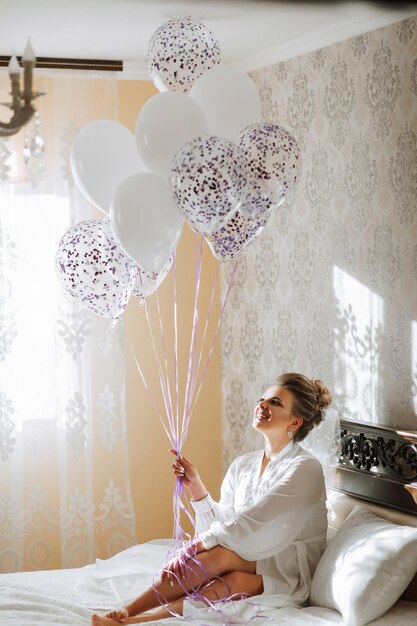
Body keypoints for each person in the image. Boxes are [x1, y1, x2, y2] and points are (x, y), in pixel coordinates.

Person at [91, 373, 333, 625]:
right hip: (253, 556)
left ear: (295, 423)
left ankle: (133, 620)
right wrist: (197, 489)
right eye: (263, 399)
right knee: (224, 564)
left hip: (289, 568)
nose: (262, 406)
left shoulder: (306, 468)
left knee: (224, 563)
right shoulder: (244, 465)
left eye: (275, 403)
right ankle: (129, 612)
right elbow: (224, 525)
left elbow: (256, 519)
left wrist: (197, 546)